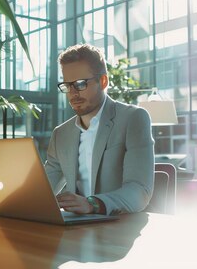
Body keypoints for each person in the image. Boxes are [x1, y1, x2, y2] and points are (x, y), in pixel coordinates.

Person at [45, 44, 154, 215]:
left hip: (118, 229)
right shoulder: (61, 134)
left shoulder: (133, 118)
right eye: (67, 85)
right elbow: (43, 190)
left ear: (103, 81)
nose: (73, 93)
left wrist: (92, 204)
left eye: (80, 84)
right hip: (75, 229)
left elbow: (139, 190)